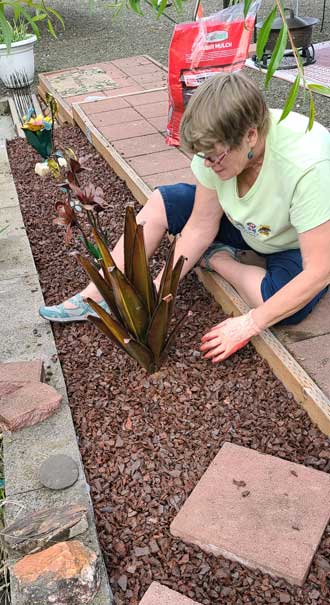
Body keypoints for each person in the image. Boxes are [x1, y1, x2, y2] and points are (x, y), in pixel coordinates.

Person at [39, 72, 330, 362]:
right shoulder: (217, 149)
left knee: (282, 305)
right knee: (163, 203)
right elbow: (201, 226)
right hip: (246, 223)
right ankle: (97, 294)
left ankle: (219, 259)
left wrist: (249, 323)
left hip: (289, 240)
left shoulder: (306, 165)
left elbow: (318, 271)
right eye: (202, 156)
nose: (208, 165)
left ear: (251, 135)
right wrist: (157, 294)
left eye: (215, 157)